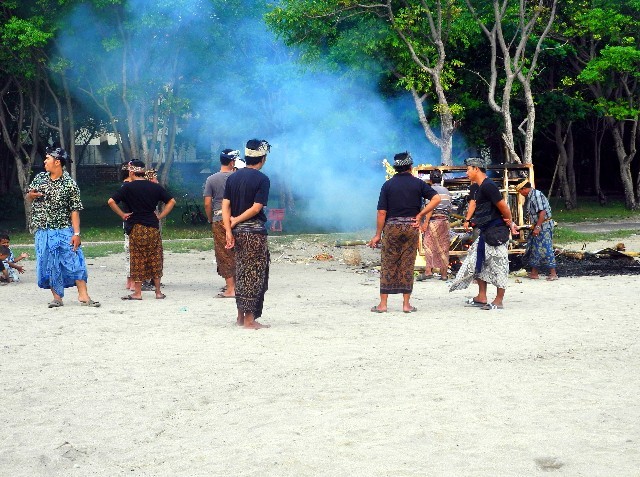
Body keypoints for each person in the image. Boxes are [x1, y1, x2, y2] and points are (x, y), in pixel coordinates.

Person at [26, 147, 100, 307]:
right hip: (44, 230)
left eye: (47, 159)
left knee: (75, 260)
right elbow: (28, 196)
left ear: (57, 162)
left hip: (63, 229)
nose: (44, 161)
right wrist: (31, 196)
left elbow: (74, 210)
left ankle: (84, 296)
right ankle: (57, 297)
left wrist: (76, 233)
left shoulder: (69, 184)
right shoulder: (40, 178)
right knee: (49, 263)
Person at [368, 152, 441, 313]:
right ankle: (406, 305)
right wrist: (421, 215)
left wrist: (378, 235)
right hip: (411, 227)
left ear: (396, 168)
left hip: (392, 228)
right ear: (410, 167)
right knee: (407, 264)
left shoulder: (387, 185)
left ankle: (383, 304)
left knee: (388, 263)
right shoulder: (418, 184)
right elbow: (436, 199)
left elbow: (381, 212)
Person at [449, 157, 519, 310]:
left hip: (496, 232)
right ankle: (482, 296)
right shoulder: (479, 187)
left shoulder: (488, 186)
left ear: (476, 169)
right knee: (477, 262)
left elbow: (504, 207)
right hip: (485, 232)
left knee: (499, 264)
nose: (466, 172)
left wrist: (510, 223)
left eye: (468, 169)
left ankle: (499, 300)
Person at [108, 160, 176, 300]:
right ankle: (158, 292)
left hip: (136, 227)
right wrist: (161, 216)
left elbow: (111, 201)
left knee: (137, 259)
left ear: (132, 172)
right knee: (155, 257)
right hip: (152, 226)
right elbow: (171, 201)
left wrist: (122, 214)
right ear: (144, 172)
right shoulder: (154, 187)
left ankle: (138, 293)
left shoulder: (128, 188)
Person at [222, 139, 272, 329]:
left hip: (237, 233)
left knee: (241, 272)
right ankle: (250, 320)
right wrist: (236, 220)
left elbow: (225, 205)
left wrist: (229, 228)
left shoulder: (232, 177)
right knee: (254, 274)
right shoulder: (262, 179)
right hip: (254, 233)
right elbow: (257, 207)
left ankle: (240, 317)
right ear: (263, 158)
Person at [203, 148, 238, 298]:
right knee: (236, 252)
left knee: (224, 253)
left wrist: (210, 218)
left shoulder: (211, 179)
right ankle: (237, 284)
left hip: (218, 219)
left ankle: (230, 288)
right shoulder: (237, 178)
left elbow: (207, 203)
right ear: (232, 162)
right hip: (236, 219)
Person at [516, 181, 558, 280]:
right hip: (538, 225)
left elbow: (542, 212)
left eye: (520, 191)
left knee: (546, 248)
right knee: (534, 248)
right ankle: (534, 273)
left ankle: (553, 273)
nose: (520, 194)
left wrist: (538, 227)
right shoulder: (531, 196)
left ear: (524, 189)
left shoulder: (536, 195)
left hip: (544, 226)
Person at [418, 169, 452, 281]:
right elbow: (449, 208)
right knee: (444, 247)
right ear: (441, 179)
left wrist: (425, 223)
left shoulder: (430, 190)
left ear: (430, 179)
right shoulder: (446, 191)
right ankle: (444, 274)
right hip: (445, 221)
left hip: (433, 221)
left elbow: (430, 208)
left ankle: (428, 272)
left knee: (428, 245)